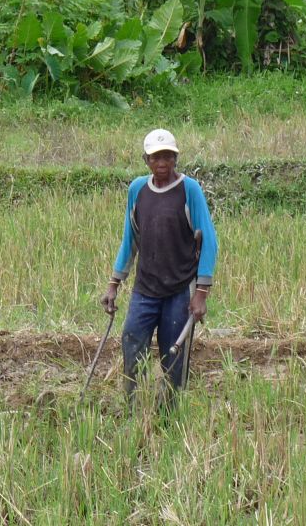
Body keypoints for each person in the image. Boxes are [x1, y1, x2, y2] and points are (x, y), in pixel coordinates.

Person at [100, 128, 218, 406]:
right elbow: (130, 240)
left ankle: (170, 412)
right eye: (155, 157)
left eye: (167, 156)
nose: (162, 163)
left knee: (174, 356)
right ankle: (132, 405)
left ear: (176, 158)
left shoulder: (189, 190)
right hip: (145, 289)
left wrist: (201, 293)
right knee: (132, 341)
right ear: (146, 160)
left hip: (179, 290)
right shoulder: (137, 190)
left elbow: (209, 240)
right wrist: (114, 283)